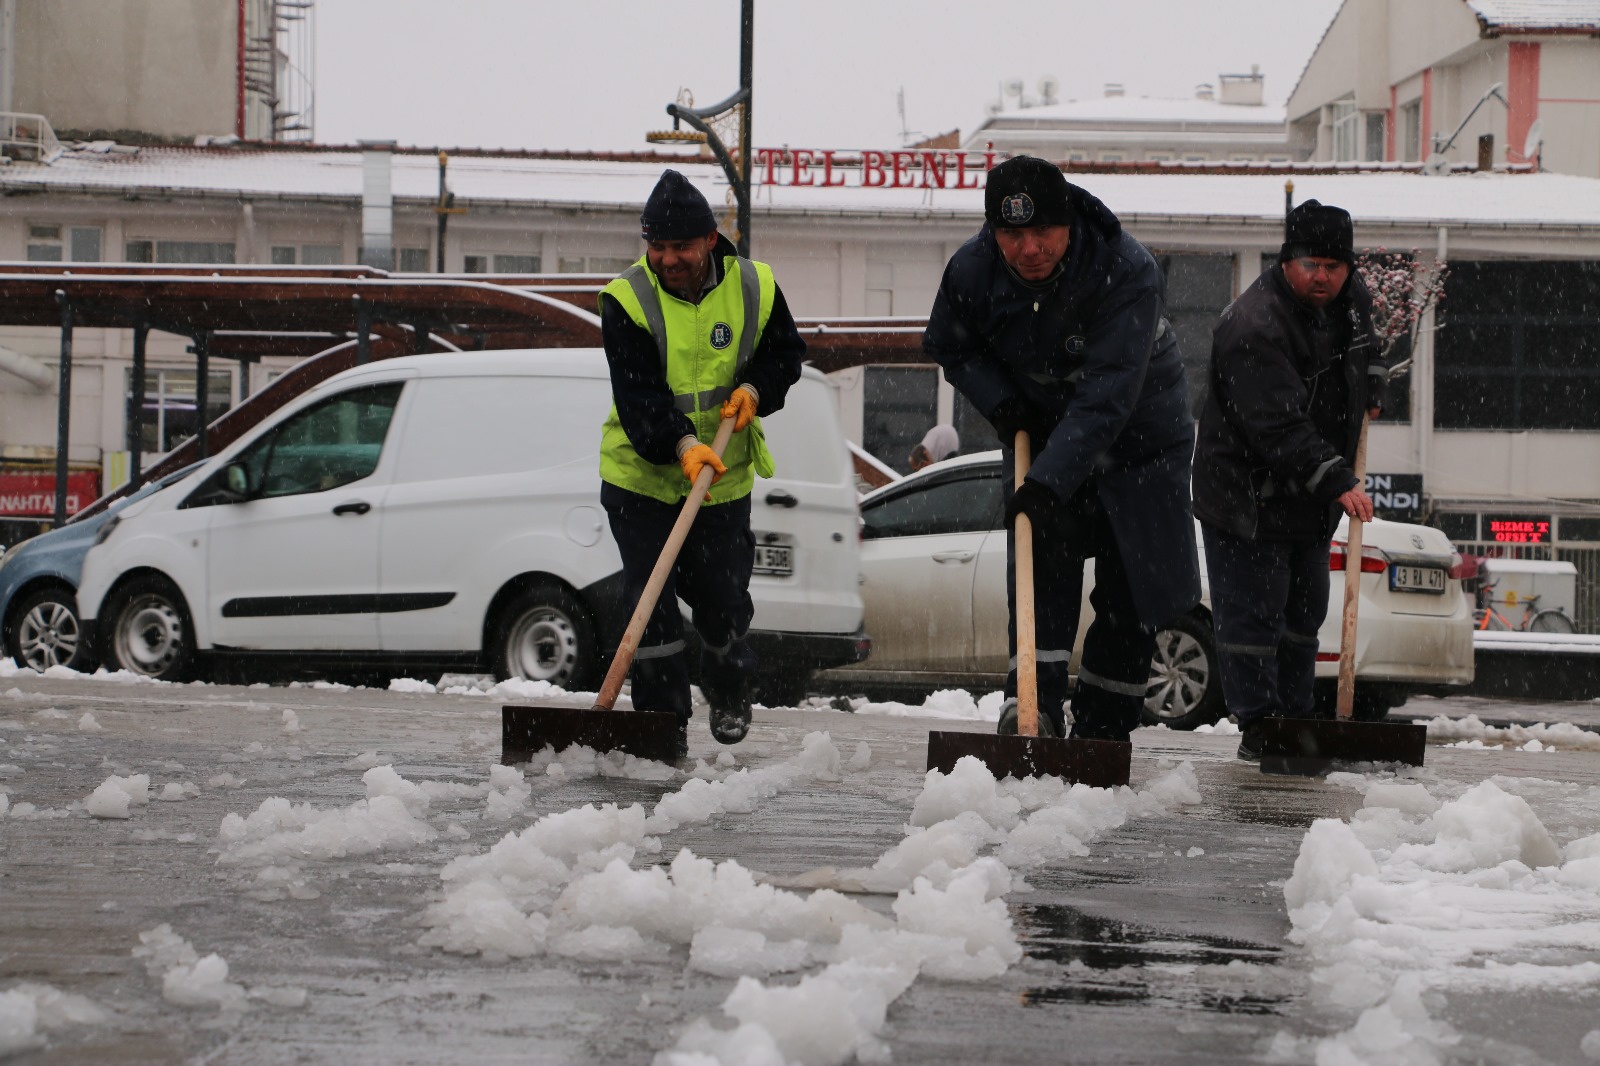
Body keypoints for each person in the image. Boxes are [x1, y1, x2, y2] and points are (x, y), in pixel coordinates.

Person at [924, 156, 1201, 741]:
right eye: (1012, 234)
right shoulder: (972, 271)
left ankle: (1104, 725)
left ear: (1069, 222)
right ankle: (1032, 706)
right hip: (1043, 426)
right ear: (992, 232)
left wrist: (1050, 482)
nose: (1028, 248)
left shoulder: (1125, 268)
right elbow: (949, 344)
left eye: (1042, 231)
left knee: (1132, 584)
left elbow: (1108, 394)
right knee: (1038, 561)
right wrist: (1002, 403)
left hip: (1141, 433)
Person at [598, 169, 805, 757]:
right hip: (640, 480)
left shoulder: (754, 286)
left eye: (680, 247)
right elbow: (638, 399)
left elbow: (785, 355)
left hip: (723, 482)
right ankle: (662, 731)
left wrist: (759, 390)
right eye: (657, 247)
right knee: (651, 612)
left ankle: (730, 684)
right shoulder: (626, 300)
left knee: (723, 604)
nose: (667, 259)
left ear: (710, 240)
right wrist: (682, 445)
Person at [1192, 199, 1385, 761]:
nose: (1321, 276)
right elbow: (1276, 425)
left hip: (1305, 499)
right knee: (1255, 615)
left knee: (1305, 613)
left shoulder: (1349, 302)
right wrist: (1336, 479)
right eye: (1309, 264)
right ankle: (1259, 726)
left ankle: (1296, 719)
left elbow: (1366, 338)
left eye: (1333, 265)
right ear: (1285, 263)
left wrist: (1373, 380)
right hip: (1246, 498)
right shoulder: (1253, 326)